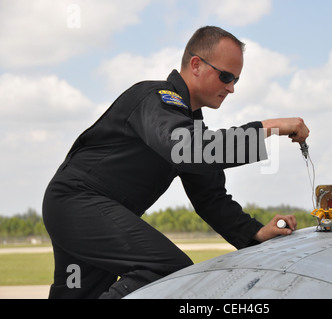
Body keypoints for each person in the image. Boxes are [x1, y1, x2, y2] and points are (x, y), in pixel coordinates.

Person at [42, 26, 309, 299]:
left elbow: (211, 199)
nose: (230, 88)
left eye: (236, 80)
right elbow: (189, 150)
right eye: (226, 76)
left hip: (82, 213)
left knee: (77, 293)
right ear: (196, 65)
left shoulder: (189, 126)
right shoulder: (156, 100)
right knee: (165, 270)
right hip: (77, 204)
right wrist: (269, 127)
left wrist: (255, 232)